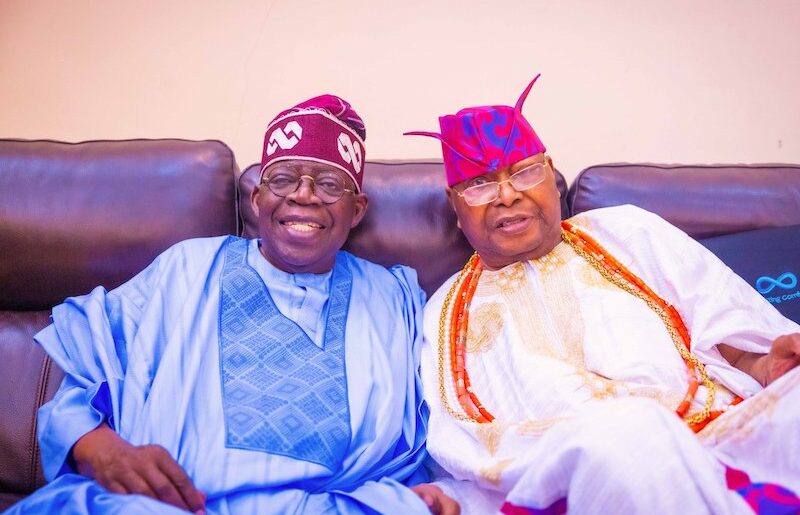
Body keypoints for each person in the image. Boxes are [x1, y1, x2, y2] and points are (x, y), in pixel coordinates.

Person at [8, 95, 458, 514]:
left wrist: (422, 492)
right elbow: (81, 386)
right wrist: (105, 451)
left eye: (328, 184)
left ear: (357, 210)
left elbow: (429, 429)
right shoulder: (187, 269)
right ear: (257, 199)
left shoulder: (393, 299)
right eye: (282, 179)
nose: (303, 195)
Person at [406, 75, 800, 514]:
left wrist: (768, 365)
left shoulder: (629, 231)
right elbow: (462, 444)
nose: (508, 195)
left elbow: (731, 336)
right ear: (455, 207)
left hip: (722, 441)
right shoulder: (444, 311)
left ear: (551, 177)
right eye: (480, 184)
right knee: (629, 430)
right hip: (582, 478)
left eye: (524, 172)